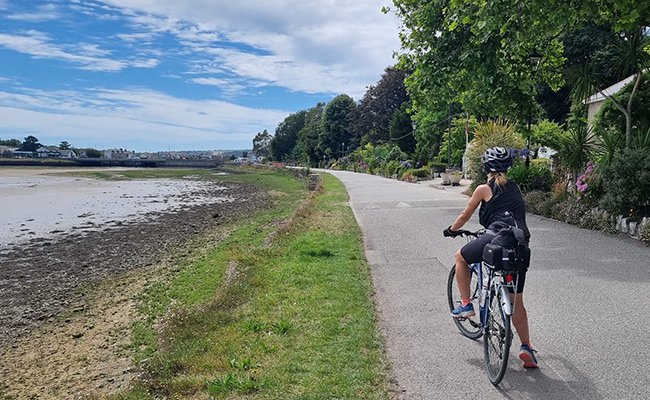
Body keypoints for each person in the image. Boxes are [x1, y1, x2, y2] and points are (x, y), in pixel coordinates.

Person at [443, 146, 538, 369]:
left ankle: (466, 305)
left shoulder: (484, 188)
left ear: (486, 167)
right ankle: (527, 347)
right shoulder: (516, 188)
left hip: (496, 238)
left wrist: (452, 229)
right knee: (517, 301)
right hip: (520, 244)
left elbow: (465, 214)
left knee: (460, 257)